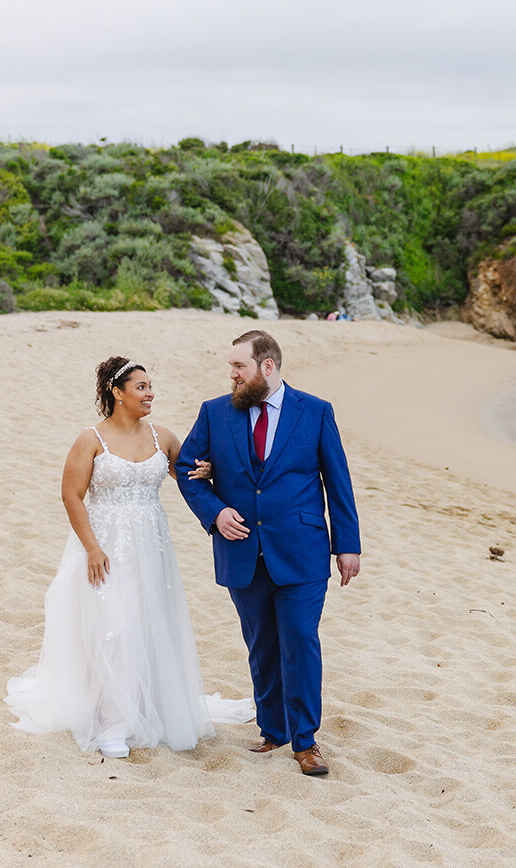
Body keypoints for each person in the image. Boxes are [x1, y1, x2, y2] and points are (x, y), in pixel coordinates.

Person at [6, 357, 253, 759]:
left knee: (146, 624)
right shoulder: (91, 440)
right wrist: (91, 548)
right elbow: (71, 495)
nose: (150, 393)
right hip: (104, 547)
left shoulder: (162, 438)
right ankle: (111, 722)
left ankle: (145, 708)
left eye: (151, 386)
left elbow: (188, 471)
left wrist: (206, 469)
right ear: (116, 393)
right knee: (113, 627)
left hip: (152, 547)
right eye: (141, 387)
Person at [175, 330, 360, 776]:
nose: (232, 375)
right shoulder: (215, 412)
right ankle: (273, 731)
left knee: (299, 640)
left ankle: (306, 741)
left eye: (239, 367)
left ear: (267, 366)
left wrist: (347, 546)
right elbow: (185, 469)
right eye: (231, 368)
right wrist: (215, 513)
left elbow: (338, 481)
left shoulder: (315, 412)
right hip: (241, 550)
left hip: (301, 550)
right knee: (260, 644)